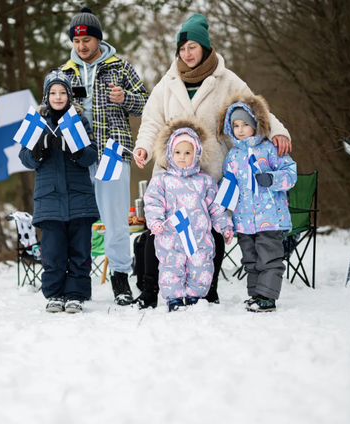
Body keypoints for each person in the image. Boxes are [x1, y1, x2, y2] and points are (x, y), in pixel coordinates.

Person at [132, 13, 292, 308]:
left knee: (211, 231)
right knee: (161, 230)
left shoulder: (227, 80)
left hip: (212, 171)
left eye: (192, 47)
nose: (187, 53)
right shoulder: (167, 83)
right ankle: (153, 290)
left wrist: (278, 132)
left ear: (205, 48)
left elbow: (254, 109)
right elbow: (151, 122)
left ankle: (207, 289)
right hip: (172, 172)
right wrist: (142, 147)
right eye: (182, 49)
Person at [59, 7, 149, 306]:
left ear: (98, 39)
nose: (81, 46)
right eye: (76, 41)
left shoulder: (120, 67)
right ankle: (76, 282)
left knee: (115, 220)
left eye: (86, 40)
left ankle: (120, 278)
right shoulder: (64, 73)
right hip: (76, 156)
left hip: (112, 152)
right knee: (78, 221)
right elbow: (49, 108)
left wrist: (126, 98)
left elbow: (147, 105)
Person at [19, 70, 99, 314]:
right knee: (53, 252)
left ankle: (75, 294)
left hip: (79, 199)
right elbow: (24, 158)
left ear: (69, 95)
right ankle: (54, 293)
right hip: (49, 201)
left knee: (79, 250)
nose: (57, 96)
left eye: (62, 92)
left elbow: (90, 155)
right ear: (46, 96)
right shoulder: (37, 123)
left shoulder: (79, 121)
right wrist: (38, 150)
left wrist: (74, 150)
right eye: (53, 92)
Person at [144, 118, 233, 312]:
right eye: (177, 152)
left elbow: (216, 207)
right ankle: (174, 299)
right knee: (171, 269)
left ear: (196, 154)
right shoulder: (162, 180)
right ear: (170, 153)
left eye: (187, 152)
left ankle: (195, 297)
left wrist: (225, 226)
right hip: (171, 238)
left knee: (201, 268)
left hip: (199, 238)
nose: (182, 157)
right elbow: (152, 202)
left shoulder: (205, 181)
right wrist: (155, 221)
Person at [219, 93, 297, 312]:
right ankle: (256, 294)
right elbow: (228, 184)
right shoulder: (233, 156)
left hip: (271, 218)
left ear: (256, 124)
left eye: (245, 124)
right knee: (250, 260)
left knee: (269, 257)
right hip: (244, 220)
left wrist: (273, 179)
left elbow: (290, 173)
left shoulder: (270, 148)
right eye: (236, 125)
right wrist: (223, 207)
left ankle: (268, 297)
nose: (240, 129)